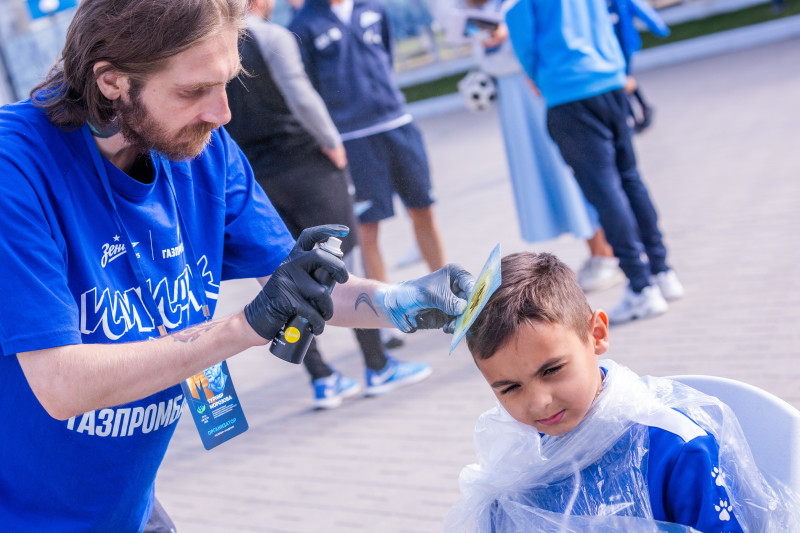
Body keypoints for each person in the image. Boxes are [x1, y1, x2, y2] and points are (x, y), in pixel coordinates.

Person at [0, 0, 474, 530]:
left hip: (125, 504)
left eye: (227, 82)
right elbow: (61, 386)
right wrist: (244, 326)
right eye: (192, 91)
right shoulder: (14, 167)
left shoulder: (198, 147)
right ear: (111, 81)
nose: (221, 113)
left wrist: (401, 300)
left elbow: (294, 284)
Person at [444, 252, 799, 532]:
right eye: (509, 389)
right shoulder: (519, 458)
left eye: (552, 370)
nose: (538, 402)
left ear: (596, 334)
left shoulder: (674, 449)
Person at [225, 0, 431, 409]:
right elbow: (301, 96)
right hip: (306, 165)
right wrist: (333, 143)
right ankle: (377, 365)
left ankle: (322, 378)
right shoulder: (272, 37)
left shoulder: (209, 46)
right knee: (340, 264)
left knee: (278, 276)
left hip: (254, 178)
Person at [505, 0, 684, 324]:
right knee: (630, 179)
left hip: (568, 89)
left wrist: (541, 79)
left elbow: (523, 39)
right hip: (609, 80)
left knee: (605, 192)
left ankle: (641, 287)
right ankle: (662, 271)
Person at [456, 0, 624, 293]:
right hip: (520, 101)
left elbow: (536, 42)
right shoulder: (485, 8)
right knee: (559, 177)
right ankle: (598, 250)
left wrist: (508, 36)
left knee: (572, 171)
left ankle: (606, 252)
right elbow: (491, 58)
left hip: (542, 91)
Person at [288, 0, 448, 287]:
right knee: (366, 229)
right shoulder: (303, 25)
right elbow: (308, 89)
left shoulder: (374, 8)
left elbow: (386, 53)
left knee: (423, 209)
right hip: (353, 140)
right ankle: (385, 319)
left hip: (397, 125)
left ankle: (447, 296)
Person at [607, 0, 671, 134]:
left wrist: (659, 27)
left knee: (623, 81)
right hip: (611, 49)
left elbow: (642, 10)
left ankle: (634, 115)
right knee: (624, 80)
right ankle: (641, 109)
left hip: (624, 46)